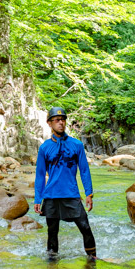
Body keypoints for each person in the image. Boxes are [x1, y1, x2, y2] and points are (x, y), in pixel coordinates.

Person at [33, 107, 97, 260]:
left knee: (85, 228)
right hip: (51, 196)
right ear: (49, 123)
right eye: (57, 120)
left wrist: (88, 192)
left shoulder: (77, 145)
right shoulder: (44, 148)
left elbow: (84, 170)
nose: (61, 123)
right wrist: (37, 198)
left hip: (71, 194)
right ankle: (52, 267)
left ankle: (93, 261)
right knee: (52, 231)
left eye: (63, 120)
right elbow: (40, 175)